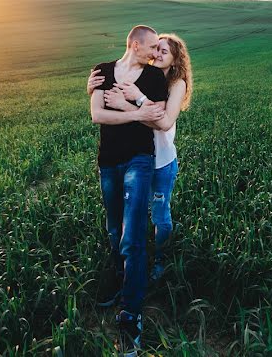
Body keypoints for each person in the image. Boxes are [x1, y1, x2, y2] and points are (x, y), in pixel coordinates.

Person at [89, 25, 168, 356]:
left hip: (140, 160)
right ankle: (124, 285)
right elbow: (97, 115)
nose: (155, 53)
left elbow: (159, 116)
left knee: (133, 235)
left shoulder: (154, 79)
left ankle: (130, 313)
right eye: (151, 47)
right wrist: (137, 113)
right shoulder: (102, 72)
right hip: (109, 161)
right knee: (113, 228)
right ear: (134, 44)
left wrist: (126, 109)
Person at [88, 33, 193, 282]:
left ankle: (160, 259)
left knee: (159, 215)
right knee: (132, 216)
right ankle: (130, 261)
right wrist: (92, 87)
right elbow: (109, 94)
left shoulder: (176, 84)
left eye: (163, 52)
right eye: (155, 49)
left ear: (176, 60)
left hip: (161, 163)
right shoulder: (144, 75)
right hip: (137, 158)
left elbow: (164, 123)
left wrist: (132, 103)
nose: (156, 54)